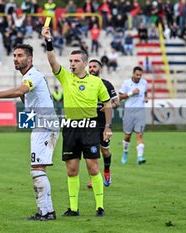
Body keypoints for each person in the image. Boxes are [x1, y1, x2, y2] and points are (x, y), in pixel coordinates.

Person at [0, 44, 59, 221]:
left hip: (44, 124)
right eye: (14, 55)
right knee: (38, 168)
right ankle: (47, 211)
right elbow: (25, 95)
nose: (16, 58)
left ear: (29, 59)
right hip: (43, 123)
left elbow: (20, 91)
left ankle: (44, 213)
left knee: (36, 169)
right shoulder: (29, 77)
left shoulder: (33, 75)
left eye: (20, 55)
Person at [42, 26, 113, 217]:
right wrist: (48, 40)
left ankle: (100, 206)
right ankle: (73, 209)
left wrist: (107, 126)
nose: (72, 64)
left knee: (93, 167)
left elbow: (107, 104)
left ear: (84, 63)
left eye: (75, 61)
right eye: (70, 61)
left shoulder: (97, 83)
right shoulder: (66, 77)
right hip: (71, 128)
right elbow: (51, 60)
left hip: (90, 127)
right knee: (72, 169)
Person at [87, 59, 119, 189]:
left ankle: (107, 170)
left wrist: (108, 106)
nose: (92, 69)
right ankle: (94, 179)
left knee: (104, 151)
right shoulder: (84, 84)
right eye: (90, 67)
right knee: (91, 152)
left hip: (103, 124)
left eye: (94, 66)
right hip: (88, 123)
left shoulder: (107, 84)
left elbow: (116, 102)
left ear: (100, 69)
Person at [119, 66, 148, 165]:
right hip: (129, 113)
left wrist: (146, 98)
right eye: (137, 75)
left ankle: (140, 157)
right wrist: (131, 93)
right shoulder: (127, 83)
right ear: (133, 74)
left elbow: (145, 92)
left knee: (139, 134)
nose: (139, 77)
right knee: (127, 135)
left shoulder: (144, 82)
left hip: (140, 112)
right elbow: (120, 97)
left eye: (140, 75)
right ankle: (125, 153)